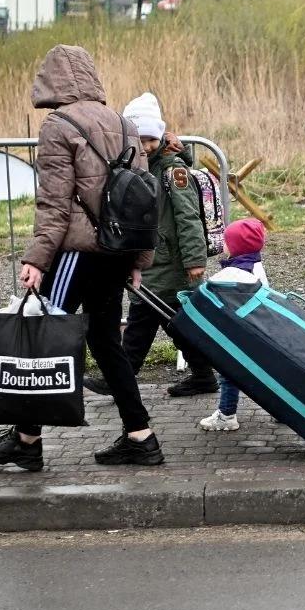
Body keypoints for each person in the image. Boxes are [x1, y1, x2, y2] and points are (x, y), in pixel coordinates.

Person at [0, 45, 165, 469]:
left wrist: (37, 260)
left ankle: (26, 441)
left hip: (79, 252)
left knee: (44, 335)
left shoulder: (58, 125)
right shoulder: (125, 123)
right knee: (104, 342)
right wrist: (138, 260)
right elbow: (146, 203)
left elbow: (54, 204)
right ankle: (141, 435)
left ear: (53, 80)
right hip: (117, 251)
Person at [83, 92, 218, 398]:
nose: (144, 147)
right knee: (173, 323)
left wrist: (195, 260)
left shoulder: (173, 171)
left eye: (150, 141)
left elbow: (188, 217)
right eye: (139, 140)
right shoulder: (138, 166)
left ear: (159, 138)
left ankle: (121, 375)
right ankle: (202, 375)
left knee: (145, 320)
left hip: (171, 262)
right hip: (153, 260)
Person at [197, 218, 268, 432]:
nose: (223, 245)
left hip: (243, 335)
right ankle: (285, 409)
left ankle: (227, 415)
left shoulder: (234, 274)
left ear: (236, 246)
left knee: (228, 373)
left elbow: (210, 295)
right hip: (260, 331)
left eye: (227, 241)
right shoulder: (256, 266)